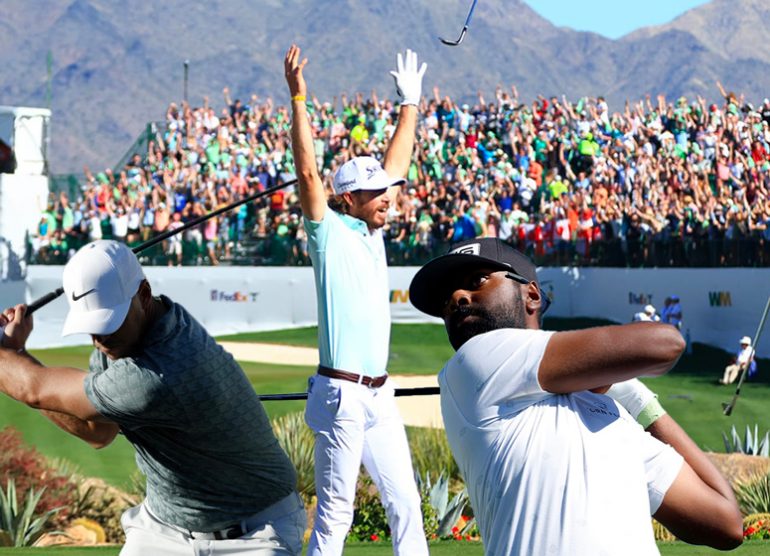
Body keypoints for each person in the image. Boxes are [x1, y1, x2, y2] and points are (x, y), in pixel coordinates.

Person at [408, 237, 742, 555]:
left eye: (478, 280)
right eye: (445, 299)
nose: (457, 298)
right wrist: (617, 380)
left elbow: (725, 522)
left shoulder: (614, 417)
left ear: (532, 296)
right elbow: (664, 343)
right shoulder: (475, 358)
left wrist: (644, 408)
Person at [0, 240, 305, 555]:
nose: (99, 338)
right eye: (91, 326)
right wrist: (15, 357)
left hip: (253, 534)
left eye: (108, 323)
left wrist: (10, 355)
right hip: (163, 530)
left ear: (143, 294)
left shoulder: (157, 374)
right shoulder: (130, 333)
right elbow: (98, 432)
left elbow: (34, 389)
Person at [284, 45, 429, 556]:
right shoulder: (328, 233)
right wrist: (299, 98)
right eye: (376, 195)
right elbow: (306, 175)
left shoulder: (373, 230)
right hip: (341, 394)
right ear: (347, 198)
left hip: (379, 396)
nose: (388, 198)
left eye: (387, 193)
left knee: (406, 504)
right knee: (336, 515)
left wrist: (409, 105)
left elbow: (395, 164)